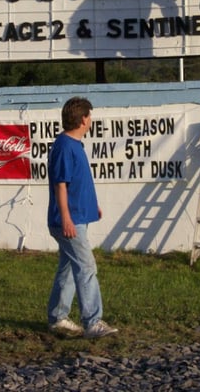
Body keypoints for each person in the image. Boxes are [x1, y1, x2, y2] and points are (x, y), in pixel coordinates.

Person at [47, 96, 118, 339]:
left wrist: (92, 206)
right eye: (89, 116)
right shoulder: (65, 146)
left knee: (68, 269)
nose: (91, 120)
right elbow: (61, 185)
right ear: (83, 119)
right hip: (69, 221)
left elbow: (78, 182)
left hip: (78, 216)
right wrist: (66, 218)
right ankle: (93, 322)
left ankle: (58, 318)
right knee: (87, 266)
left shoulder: (74, 144)